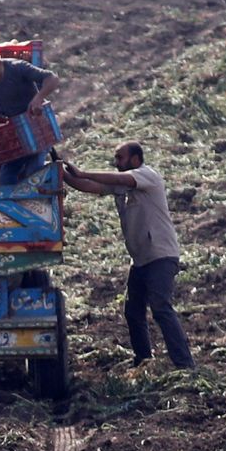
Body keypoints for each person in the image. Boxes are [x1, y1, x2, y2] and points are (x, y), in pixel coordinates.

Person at [61, 142, 193, 370]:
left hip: (160, 255)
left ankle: (185, 365)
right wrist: (62, 173)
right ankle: (143, 361)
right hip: (140, 260)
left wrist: (81, 171)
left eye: (120, 158)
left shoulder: (147, 176)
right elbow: (87, 185)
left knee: (161, 308)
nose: (116, 162)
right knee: (133, 312)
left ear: (134, 159)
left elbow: (118, 179)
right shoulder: (121, 186)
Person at [0, 35, 59, 185]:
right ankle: (17, 206)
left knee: (33, 172)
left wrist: (38, 98)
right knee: (6, 176)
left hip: (37, 127)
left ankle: (54, 177)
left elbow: (52, 78)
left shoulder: (17, 67)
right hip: (17, 131)